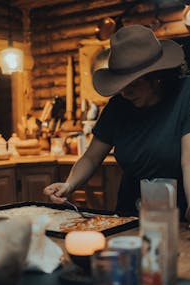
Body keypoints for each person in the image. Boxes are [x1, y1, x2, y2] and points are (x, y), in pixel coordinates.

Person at [44, 24, 190, 222]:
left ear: (156, 77)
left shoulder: (184, 95)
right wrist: (69, 185)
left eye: (134, 84)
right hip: (130, 213)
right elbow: (91, 158)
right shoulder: (118, 106)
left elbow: (188, 160)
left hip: (177, 211)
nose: (125, 93)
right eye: (121, 85)